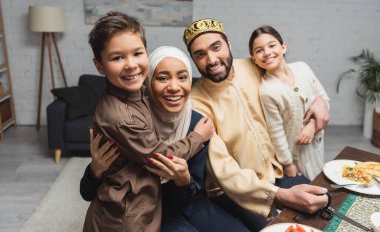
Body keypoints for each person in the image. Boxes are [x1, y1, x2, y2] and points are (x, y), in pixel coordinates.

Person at [81, 46, 249, 232]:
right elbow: (88, 193)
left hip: (191, 203)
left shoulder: (196, 124)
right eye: (162, 78)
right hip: (148, 213)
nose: (174, 87)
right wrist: (95, 171)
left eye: (182, 77)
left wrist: (183, 180)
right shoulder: (132, 125)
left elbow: (196, 192)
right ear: (148, 82)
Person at [182, 18, 330, 230]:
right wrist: (280, 196)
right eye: (200, 54)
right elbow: (222, 168)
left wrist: (320, 102)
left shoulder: (252, 66)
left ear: (229, 44)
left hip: (279, 171)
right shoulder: (196, 104)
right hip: (237, 190)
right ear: (194, 60)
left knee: (327, 206)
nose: (212, 59)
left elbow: (292, 81)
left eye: (216, 47)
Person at [82, 12, 214, 232]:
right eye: (117, 57)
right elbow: (159, 158)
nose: (131, 65)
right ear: (100, 66)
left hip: (146, 206)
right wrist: (198, 137)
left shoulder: (141, 94)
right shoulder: (120, 116)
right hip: (126, 216)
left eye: (137, 53)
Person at [249, 25, 329, 180]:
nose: (267, 53)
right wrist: (288, 164)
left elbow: (324, 100)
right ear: (254, 59)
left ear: (283, 47)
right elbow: (276, 132)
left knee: (320, 180)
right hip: (295, 154)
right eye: (259, 50)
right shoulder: (268, 90)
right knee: (307, 189)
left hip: (316, 142)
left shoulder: (302, 68)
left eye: (271, 45)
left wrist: (312, 125)